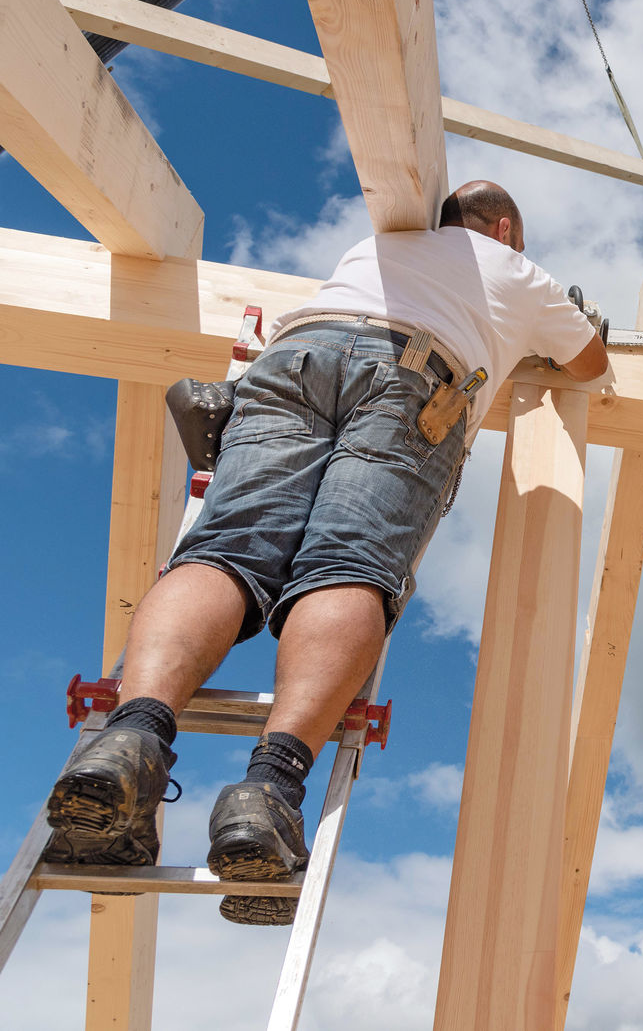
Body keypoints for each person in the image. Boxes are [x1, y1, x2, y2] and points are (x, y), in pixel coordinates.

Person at [42, 181, 607, 925]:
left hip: (293, 355)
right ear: (504, 227)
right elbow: (591, 364)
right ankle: (269, 789)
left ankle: (130, 737)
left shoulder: (379, 247)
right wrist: (570, 321)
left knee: (224, 551)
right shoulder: (515, 270)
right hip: (411, 375)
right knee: (349, 566)